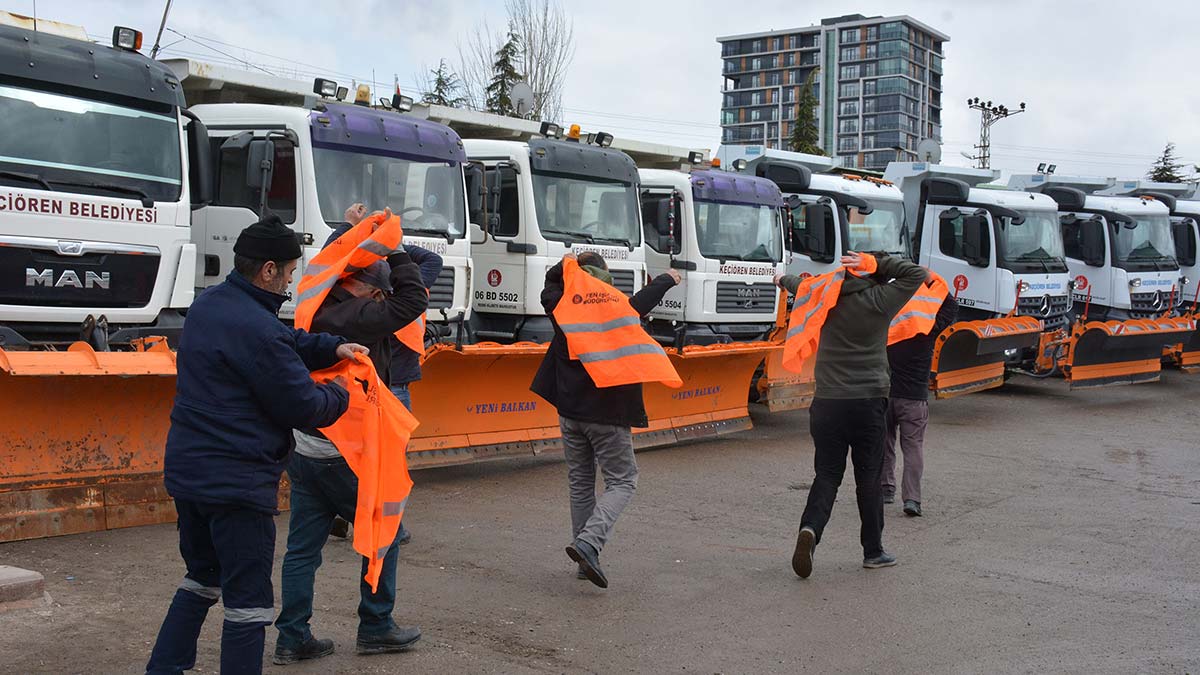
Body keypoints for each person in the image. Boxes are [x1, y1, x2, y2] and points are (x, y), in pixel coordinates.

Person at [147, 215, 361, 675]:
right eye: (287, 272)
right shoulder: (258, 328)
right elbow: (303, 405)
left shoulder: (209, 305)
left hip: (190, 477)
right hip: (237, 485)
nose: (289, 281)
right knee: (249, 605)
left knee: (201, 578)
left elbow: (284, 342)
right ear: (267, 270)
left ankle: (163, 668)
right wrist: (345, 394)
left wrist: (331, 348)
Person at [273, 222, 430, 665]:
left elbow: (336, 254)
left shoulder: (313, 302)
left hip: (307, 447)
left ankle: (292, 636)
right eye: (378, 292)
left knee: (303, 549)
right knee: (384, 534)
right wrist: (395, 250)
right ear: (360, 285)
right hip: (349, 452)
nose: (382, 300)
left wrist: (358, 230)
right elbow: (414, 299)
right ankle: (376, 625)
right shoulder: (355, 315)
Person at [531, 251, 681, 588]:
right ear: (608, 282)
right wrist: (669, 278)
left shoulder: (560, 308)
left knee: (581, 483)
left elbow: (550, 282)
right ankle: (588, 544)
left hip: (570, 413)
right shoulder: (620, 311)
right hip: (608, 417)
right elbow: (645, 299)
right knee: (623, 481)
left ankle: (586, 562)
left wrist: (567, 265)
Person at [775, 252, 925, 579]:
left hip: (828, 401)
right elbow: (915, 274)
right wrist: (877, 262)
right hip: (868, 402)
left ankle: (810, 529)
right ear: (872, 274)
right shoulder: (881, 299)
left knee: (827, 475)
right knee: (868, 478)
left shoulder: (824, 295)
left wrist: (780, 280)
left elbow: (799, 285)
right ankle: (873, 551)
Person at [327, 203, 443, 546]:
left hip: (361, 382)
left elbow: (329, 259)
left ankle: (342, 510)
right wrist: (388, 237)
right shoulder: (405, 295)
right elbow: (430, 261)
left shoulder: (353, 303)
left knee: (354, 451)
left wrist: (358, 230)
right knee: (388, 460)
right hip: (394, 383)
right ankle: (389, 526)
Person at [883, 293, 958, 517]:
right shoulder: (928, 332)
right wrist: (929, 280)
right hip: (914, 400)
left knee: (884, 442)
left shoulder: (888, 333)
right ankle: (912, 499)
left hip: (886, 396)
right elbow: (951, 307)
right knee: (913, 447)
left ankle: (886, 488)